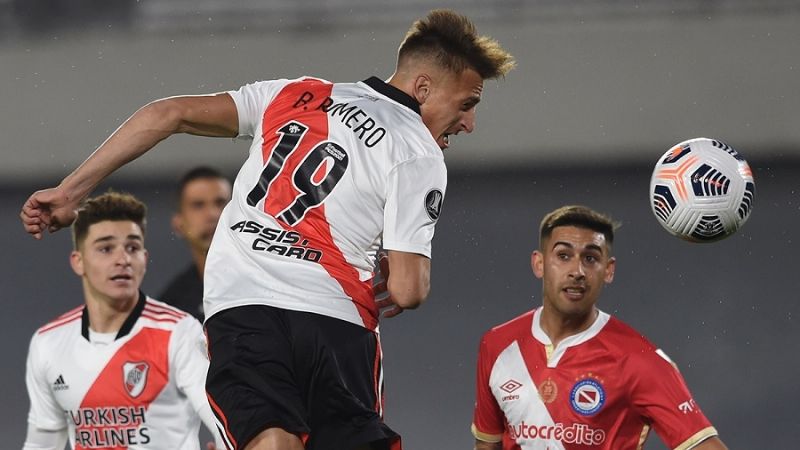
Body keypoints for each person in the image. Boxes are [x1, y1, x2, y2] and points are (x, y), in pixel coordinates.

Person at [20, 9, 515, 450]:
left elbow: (166, 113)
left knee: (271, 440)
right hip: (335, 318)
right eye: (466, 103)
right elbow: (407, 290)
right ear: (423, 88)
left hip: (243, 309)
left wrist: (70, 191)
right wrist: (394, 263)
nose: (469, 123)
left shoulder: (295, 93)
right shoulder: (416, 150)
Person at [471, 205, 728, 450]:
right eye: (563, 256)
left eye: (590, 258)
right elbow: (487, 443)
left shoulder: (638, 360)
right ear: (539, 264)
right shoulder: (497, 344)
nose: (577, 271)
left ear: (608, 270)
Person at [22, 191, 224, 450]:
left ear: (145, 259)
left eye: (132, 247)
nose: (123, 260)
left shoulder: (179, 332)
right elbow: (42, 444)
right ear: (78, 262)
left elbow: (224, 420)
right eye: (106, 249)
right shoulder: (48, 343)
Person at [161, 166, 232, 321]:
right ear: (178, 224)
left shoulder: (269, 278)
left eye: (221, 203)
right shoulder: (172, 307)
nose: (213, 214)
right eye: (198, 205)